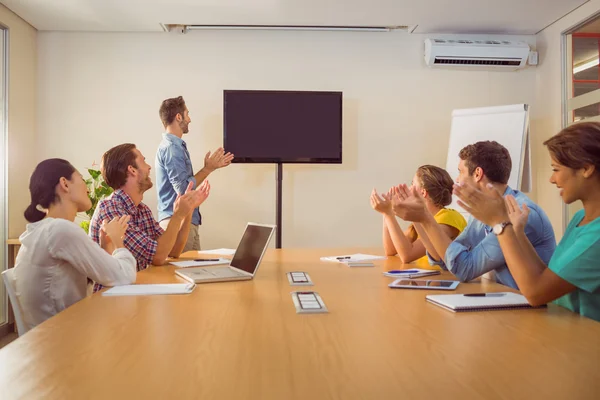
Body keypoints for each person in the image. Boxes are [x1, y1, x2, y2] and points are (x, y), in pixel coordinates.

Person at [453, 123, 600, 321]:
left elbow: (535, 293)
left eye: (556, 169)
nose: (551, 179)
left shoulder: (596, 236)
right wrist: (518, 233)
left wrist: (500, 223)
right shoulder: (579, 219)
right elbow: (544, 274)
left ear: (586, 169)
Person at [391, 141, 556, 289]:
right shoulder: (483, 210)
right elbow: (444, 259)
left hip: (529, 311)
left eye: (460, 171)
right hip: (503, 299)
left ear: (477, 174)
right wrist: (419, 217)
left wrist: (424, 217)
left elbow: (465, 268)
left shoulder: (519, 214)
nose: (457, 178)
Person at [13, 159, 136, 333]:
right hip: (62, 343)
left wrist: (104, 247)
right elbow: (123, 277)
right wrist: (118, 242)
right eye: (80, 178)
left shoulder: (47, 229)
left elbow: (100, 278)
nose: (87, 187)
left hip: (52, 337)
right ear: (64, 184)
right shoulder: (59, 230)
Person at [90, 143, 210, 291]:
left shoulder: (142, 210)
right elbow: (158, 256)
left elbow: (173, 250)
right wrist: (177, 215)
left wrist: (188, 210)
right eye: (144, 161)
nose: (149, 167)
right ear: (132, 170)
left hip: (134, 293)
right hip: (111, 300)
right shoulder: (110, 210)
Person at [155, 96, 234, 251]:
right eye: (187, 114)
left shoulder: (174, 146)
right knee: (180, 273)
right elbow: (184, 188)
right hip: (177, 222)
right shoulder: (172, 148)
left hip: (183, 222)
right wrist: (207, 169)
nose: (189, 119)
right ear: (179, 117)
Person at [370, 165, 466, 268]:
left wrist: (389, 214)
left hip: (443, 280)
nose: (409, 188)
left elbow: (407, 255)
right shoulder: (423, 219)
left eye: (412, 184)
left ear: (423, 192)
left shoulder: (448, 218)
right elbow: (391, 250)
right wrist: (386, 213)